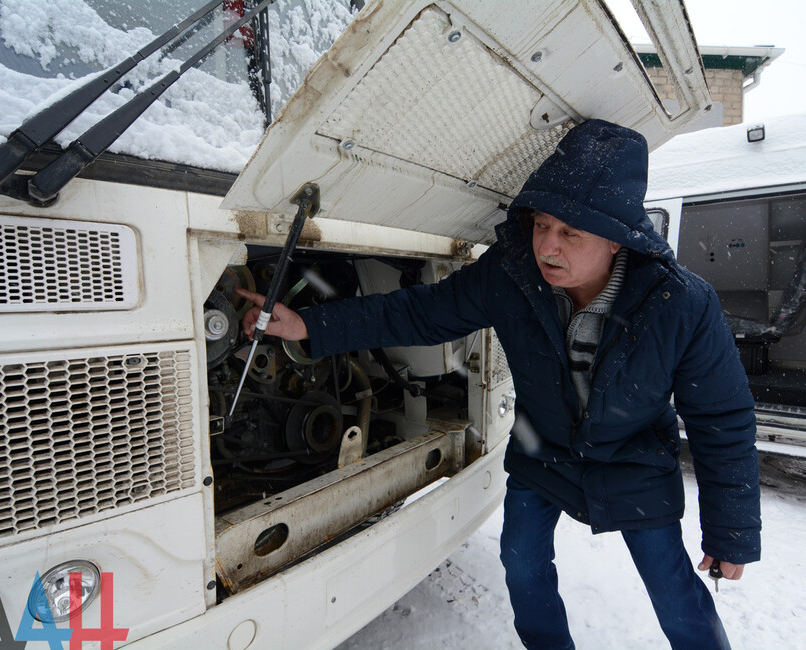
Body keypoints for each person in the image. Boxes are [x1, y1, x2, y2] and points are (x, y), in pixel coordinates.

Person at [236, 119, 761, 649]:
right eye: (541, 224)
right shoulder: (512, 274)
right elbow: (422, 312)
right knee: (523, 566)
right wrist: (310, 326)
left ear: (616, 238)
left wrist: (731, 530)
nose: (547, 246)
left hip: (635, 462)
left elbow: (722, 418)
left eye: (570, 233)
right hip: (542, 452)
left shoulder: (681, 305)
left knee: (674, 593)